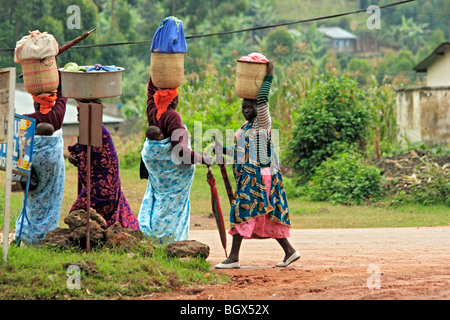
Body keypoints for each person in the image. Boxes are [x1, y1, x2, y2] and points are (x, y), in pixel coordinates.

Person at [214, 60, 300, 269]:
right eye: (243, 107)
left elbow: (262, 98)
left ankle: (233, 258)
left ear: (257, 109)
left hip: (261, 176)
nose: (245, 110)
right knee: (266, 215)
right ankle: (290, 252)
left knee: (242, 210)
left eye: (249, 107)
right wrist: (222, 149)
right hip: (256, 175)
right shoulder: (246, 127)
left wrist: (268, 75)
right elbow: (242, 153)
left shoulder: (263, 122)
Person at [138, 77, 212, 243]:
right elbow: (182, 155)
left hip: (157, 174)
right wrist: (202, 159)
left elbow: (151, 92)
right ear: (174, 100)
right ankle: (167, 240)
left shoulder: (152, 110)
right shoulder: (172, 117)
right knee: (171, 205)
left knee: (159, 200)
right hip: (173, 177)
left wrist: (156, 71)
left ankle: (152, 235)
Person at [14, 70, 67, 245]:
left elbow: (15, 132)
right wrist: (55, 72)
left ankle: (26, 233)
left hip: (32, 168)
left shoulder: (27, 120)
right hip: (53, 168)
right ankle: (45, 235)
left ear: (34, 102)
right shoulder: (57, 116)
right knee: (51, 197)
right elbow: (63, 94)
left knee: (32, 198)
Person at [68, 103, 139, 230]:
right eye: (78, 111)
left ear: (92, 113)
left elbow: (96, 160)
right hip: (98, 186)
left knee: (77, 213)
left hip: (102, 188)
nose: (78, 115)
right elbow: (83, 154)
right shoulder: (88, 129)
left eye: (81, 112)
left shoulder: (97, 131)